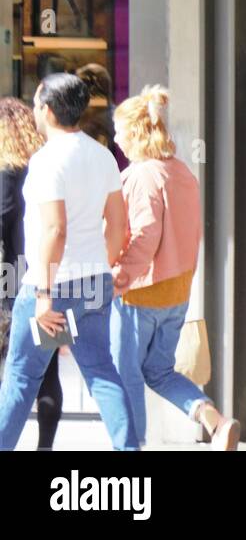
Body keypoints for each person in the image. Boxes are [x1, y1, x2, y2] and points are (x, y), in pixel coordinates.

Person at [0, 74, 138, 451]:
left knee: (22, 377)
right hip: (93, 284)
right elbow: (118, 223)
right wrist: (102, 265)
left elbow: (54, 231)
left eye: (35, 102)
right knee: (101, 372)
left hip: (52, 290)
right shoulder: (102, 155)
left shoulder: (46, 161)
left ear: (46, 108)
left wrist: (43, 295)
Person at [109, 86, 241, 449]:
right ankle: (214, 420)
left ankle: (129, 448)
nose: (115, 137)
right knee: (161, 371)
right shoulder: (181, 171)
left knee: (126, 377)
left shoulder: (141, 175)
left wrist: (118, 279)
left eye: (119, 130)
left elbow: (145, 235)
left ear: (135, 132)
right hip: (177, 293)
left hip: (139, 294)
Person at [0, 97, 65, 450]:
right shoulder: (47, 166)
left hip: (15, 281)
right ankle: (45, 446)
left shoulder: (7, 174)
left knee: (18, 372)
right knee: (49, 367)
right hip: (53, 275)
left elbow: (4, 219)